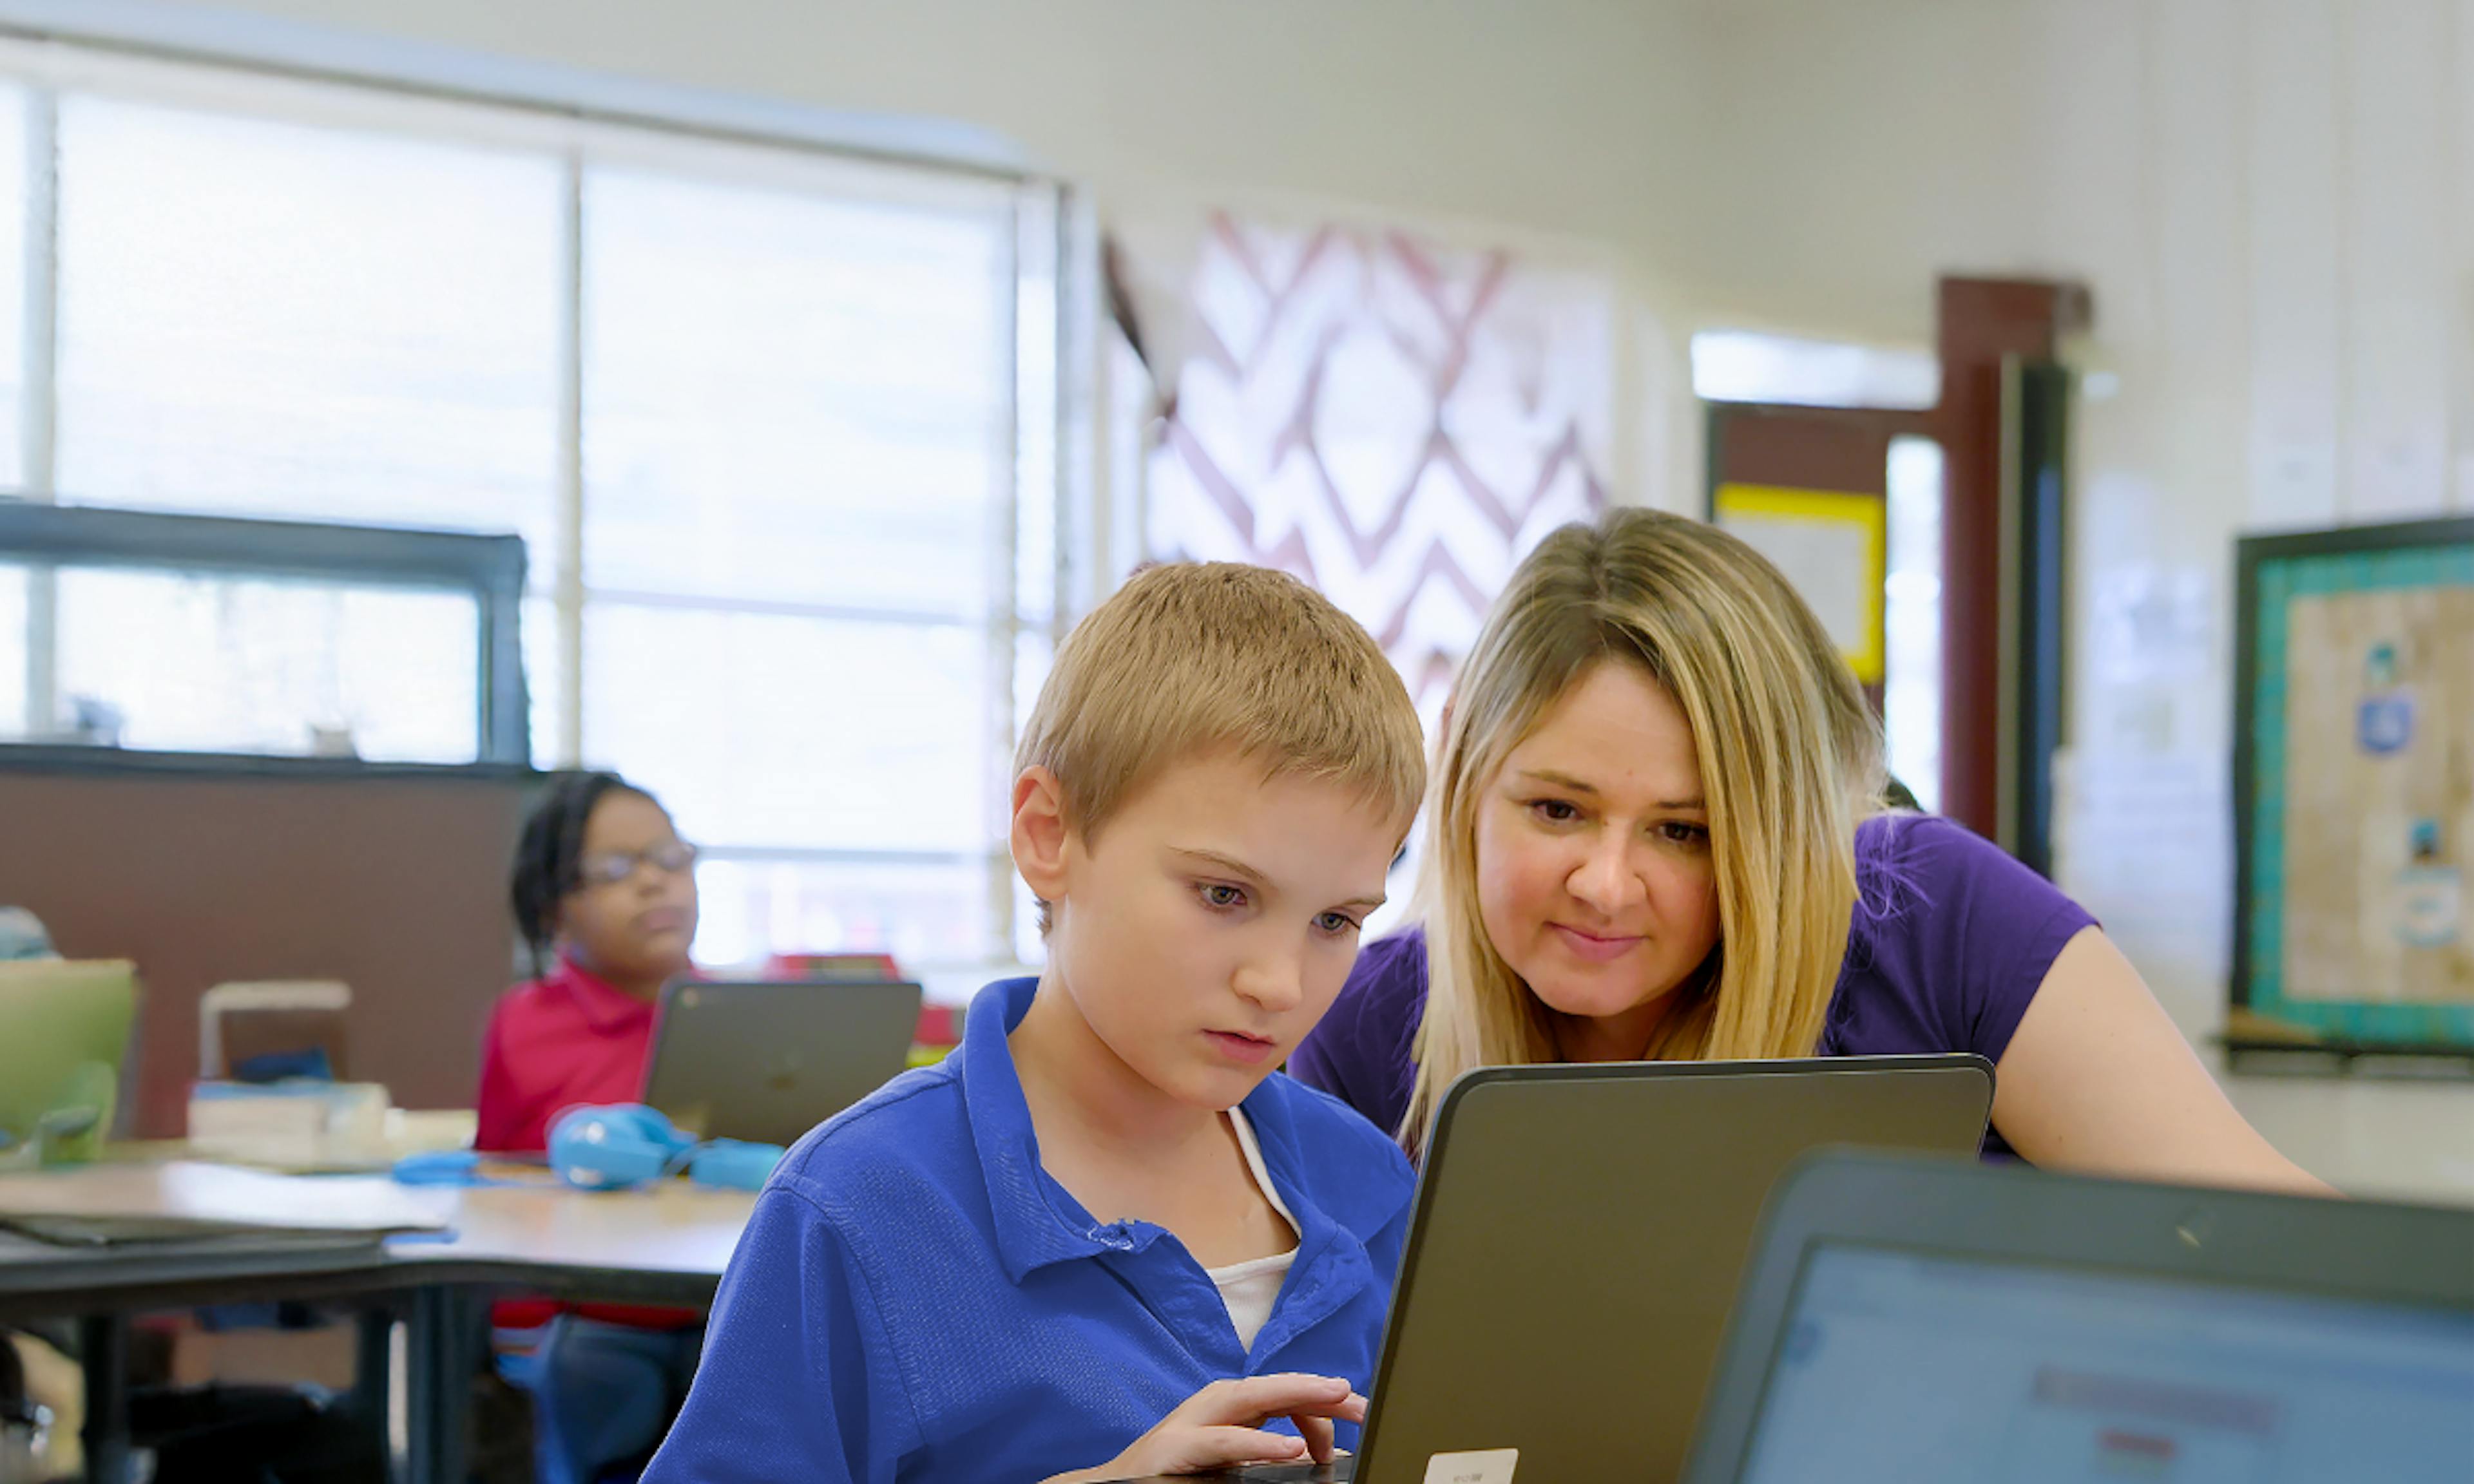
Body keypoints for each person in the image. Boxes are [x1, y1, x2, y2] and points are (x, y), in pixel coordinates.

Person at [642, 562, 1427, 1483]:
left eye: (1335, 921)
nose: (1280, 982)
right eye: (1224, 893)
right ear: (1049, 834)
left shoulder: (1371, 1185)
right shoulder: (857, 1208)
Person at [1291, 507, 2324, 1194]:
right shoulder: (1364, 1025)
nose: (1606, 884)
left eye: (1683, 831)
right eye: (1558, 810)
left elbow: (2271, 1250)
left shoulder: (1930, 917)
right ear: (1466, 769)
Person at [478, 770, 705, 1484]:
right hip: (586, 1312)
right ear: (555, 910)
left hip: (720, 1298)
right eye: (615, 870)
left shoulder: (738, 1015)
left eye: (670, 859)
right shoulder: (527, 1021)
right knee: (591, 1371)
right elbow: (495, 1188)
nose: (653, 884)